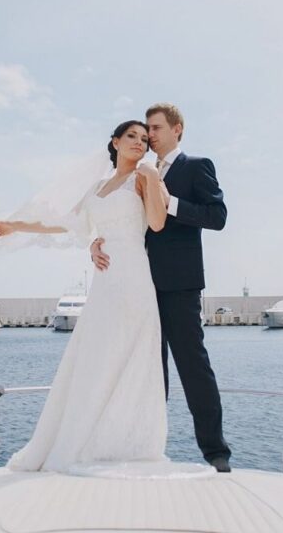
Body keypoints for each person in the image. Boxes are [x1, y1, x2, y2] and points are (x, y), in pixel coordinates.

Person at [0, 120, 170, 472]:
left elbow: (157, 224)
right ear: (114, 142)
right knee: (96, 354)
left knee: (131, 353)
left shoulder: (143, 178)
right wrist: (14, 225)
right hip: (105, 278)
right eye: (131, 136)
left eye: (145, 139)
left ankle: (125, 441)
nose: (139, 143)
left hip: (133, 274)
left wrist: (154, 176)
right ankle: (86, 437)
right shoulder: (97, 188)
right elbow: (62, 223)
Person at [90, 103, 231, 472]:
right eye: (145, 129)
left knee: (192, 366)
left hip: (180, 285)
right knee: (148, 370)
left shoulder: (196, 166)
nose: (149, 135)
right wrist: (96, 242)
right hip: (137, 283)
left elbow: (218, 217)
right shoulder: (136, 173)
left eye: (154, 128)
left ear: (177, 129)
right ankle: (143, 450)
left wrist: (172, 204)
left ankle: (216, 453)